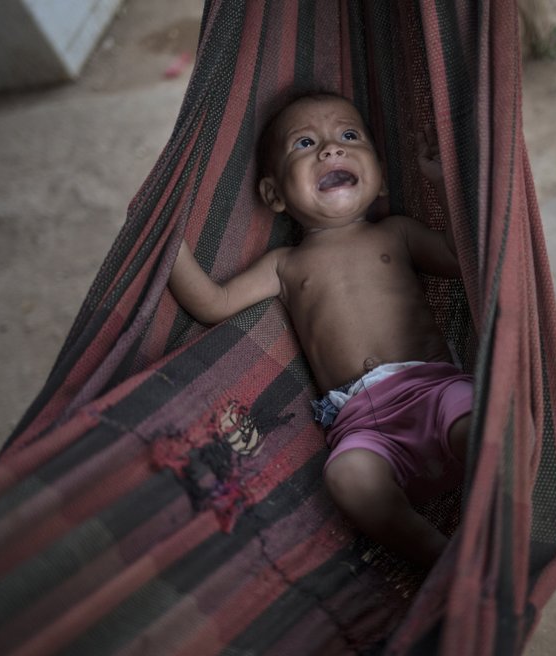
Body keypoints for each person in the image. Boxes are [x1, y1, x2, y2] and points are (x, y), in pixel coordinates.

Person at [169, 92, 472, 566]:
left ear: (383, 175)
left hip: (433, 391)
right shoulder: (284, 264)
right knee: (347, 477)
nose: (330, 150)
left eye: (349, 137)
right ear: (274, 196)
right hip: (363, 425)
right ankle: (441, 559)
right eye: (305, 144)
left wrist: (443, 181)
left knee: (485, 420)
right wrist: (166, 240)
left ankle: (503, 511)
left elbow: (462, 259)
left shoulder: (396, 233)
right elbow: (214, 302)